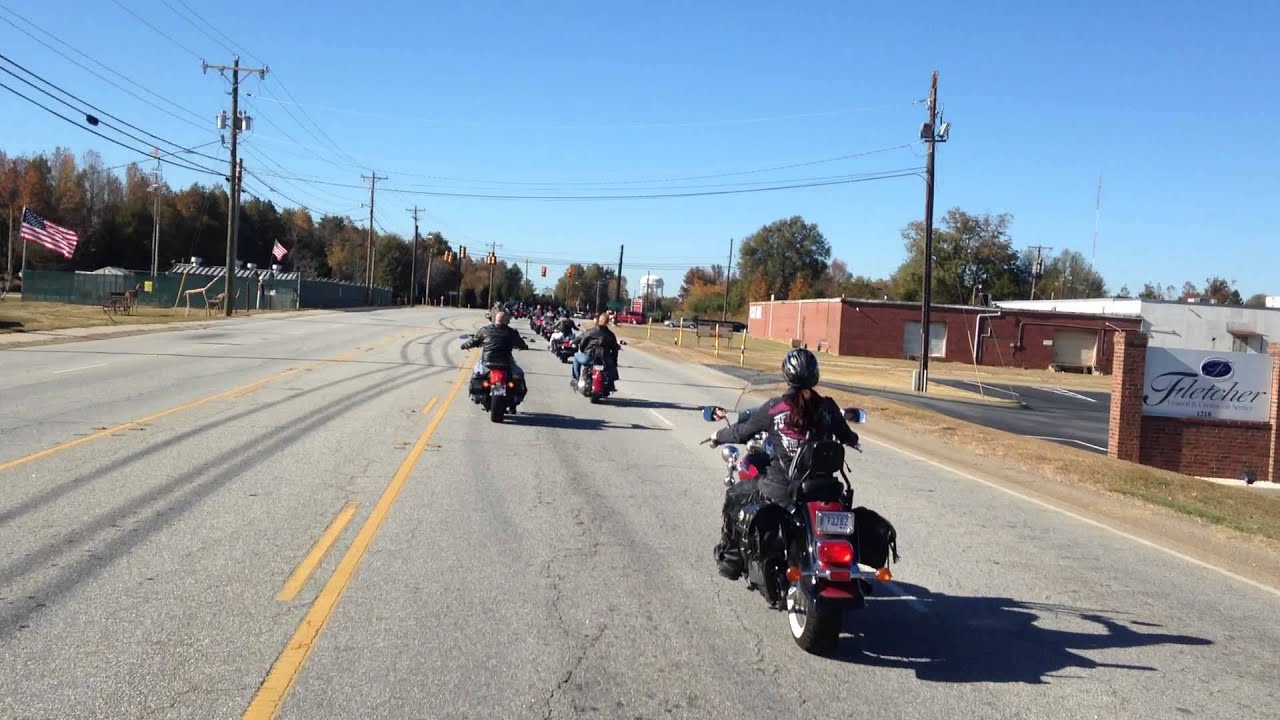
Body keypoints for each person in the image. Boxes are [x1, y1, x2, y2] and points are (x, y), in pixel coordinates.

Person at [705, 348, 861, 580]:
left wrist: (718, 435)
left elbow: (741, 433)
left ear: (787, 375)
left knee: (734, 497)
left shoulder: (775, 408)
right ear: (815, 375)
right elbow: (848, 435)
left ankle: (731, 562)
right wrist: (853, 441)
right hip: (822, 489)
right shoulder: (828, 408)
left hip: (783, 488)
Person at [461, 311, 529, 401]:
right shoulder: (511, 332)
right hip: (506, 362)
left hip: (487, 362)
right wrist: (524, 346)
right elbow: (521, 343)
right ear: (507, 321)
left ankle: (476, 395)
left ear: (495, 319)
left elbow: (473, 341)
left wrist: (464, 346)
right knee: (519, 375)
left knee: (476, 373)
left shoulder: (485, 330)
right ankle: (516, 399)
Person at [572, 313, 620, 388]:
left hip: (589, 357)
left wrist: (583, 351)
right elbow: (615, 350)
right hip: (605, 359)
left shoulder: (591, 331)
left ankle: (576, 379)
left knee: (576, 356)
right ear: (607, 322)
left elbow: (583, 343)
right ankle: (611, 383)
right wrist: (614, 360)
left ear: (598, 321)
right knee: (612, 364)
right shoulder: (610, 334)